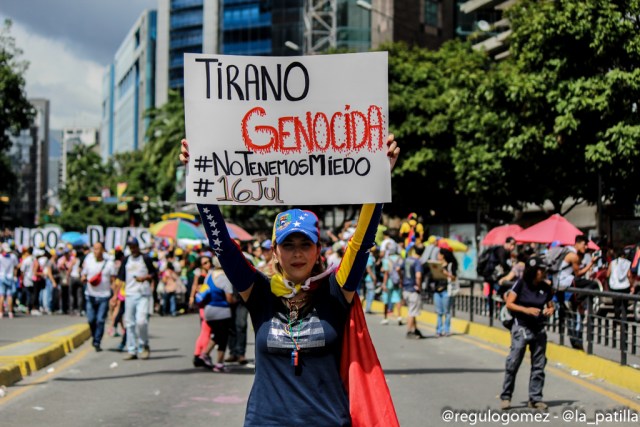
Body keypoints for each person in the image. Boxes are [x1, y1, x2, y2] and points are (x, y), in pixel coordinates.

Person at [180, 135, 400, 426]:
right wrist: (200, 178)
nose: (297, 253)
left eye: (305, 244)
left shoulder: (336, 289)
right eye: (288, 245)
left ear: (317, 250)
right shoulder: (259, 292)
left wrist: (380, 178)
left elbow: (361, 242)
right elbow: (223, 247)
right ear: (275, 251)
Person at [500, 256, 554, 411]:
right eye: (540, 270)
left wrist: (550, 310)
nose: (543, 272)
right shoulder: (521, 284)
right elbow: (509, 303)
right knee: (513, 362)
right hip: (521, 327)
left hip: (539, 328)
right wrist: (527, 310)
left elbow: (551, 305)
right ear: (533, 271)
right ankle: (506, 396)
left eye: (544, 270)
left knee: (539, 365)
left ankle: (535, 398)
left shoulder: (546, 287)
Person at [117, 237, 157, 360]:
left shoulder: (145, 258)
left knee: (141, 321)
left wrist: (145, 278)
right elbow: (121, 279)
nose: (132, 249)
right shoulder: (126, 260)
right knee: (129, 323)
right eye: (130, 247)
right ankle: (132, 350)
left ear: (138, 246)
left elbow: (154, 273)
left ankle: (144, 345)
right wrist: (116, 296)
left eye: (134, 246)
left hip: (143, 294)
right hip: (129, 294)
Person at [194, 258, 235, 372]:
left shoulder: (209, 275)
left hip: (208, 310)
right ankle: (219, 364)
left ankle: (204, 354)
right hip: (221, 311)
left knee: (216, 335)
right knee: (223, 338)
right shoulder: (224, 277)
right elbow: (229, 298)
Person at [81, 242, 116, 352]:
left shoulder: (109, 263)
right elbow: (84, 274)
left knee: (100, 320)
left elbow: (113, 280)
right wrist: (83, 278)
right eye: (94, 249)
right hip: (90, 295)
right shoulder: (88, 260)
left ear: (103, 250)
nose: (96, 251)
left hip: (104, 296)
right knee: (91, 319)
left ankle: (97, 341)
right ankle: (94, 335)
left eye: (98, 249)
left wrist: (114, 296)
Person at [433, 248, 458, 337]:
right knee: (439, 312)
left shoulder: (451, 265)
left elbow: (454, 277)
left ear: (443, 255)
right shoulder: (436, 264)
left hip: (446, 290)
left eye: (439, 254)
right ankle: (439, 330)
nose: (438, 256)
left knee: (446, 311)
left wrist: (446, 273)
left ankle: (446, 330)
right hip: (437, 290)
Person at [606, 247, 634, 325]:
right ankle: (624, 320)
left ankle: (617, 320)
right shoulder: (628, 262)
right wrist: (632, 285)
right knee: (624, 305)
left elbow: (607, 274)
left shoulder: (612, 262)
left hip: (614, 286)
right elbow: (629, 275)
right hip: (625, 286)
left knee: (616, 305)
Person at [0, 243, 19, 318]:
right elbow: (16, 267)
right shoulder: (13, 257)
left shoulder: (0, 257)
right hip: (10, 277)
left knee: (1, 296)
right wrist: (15, 276)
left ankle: (1, 312)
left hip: (1, 277)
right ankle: (10, 312)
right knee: (9, 296)